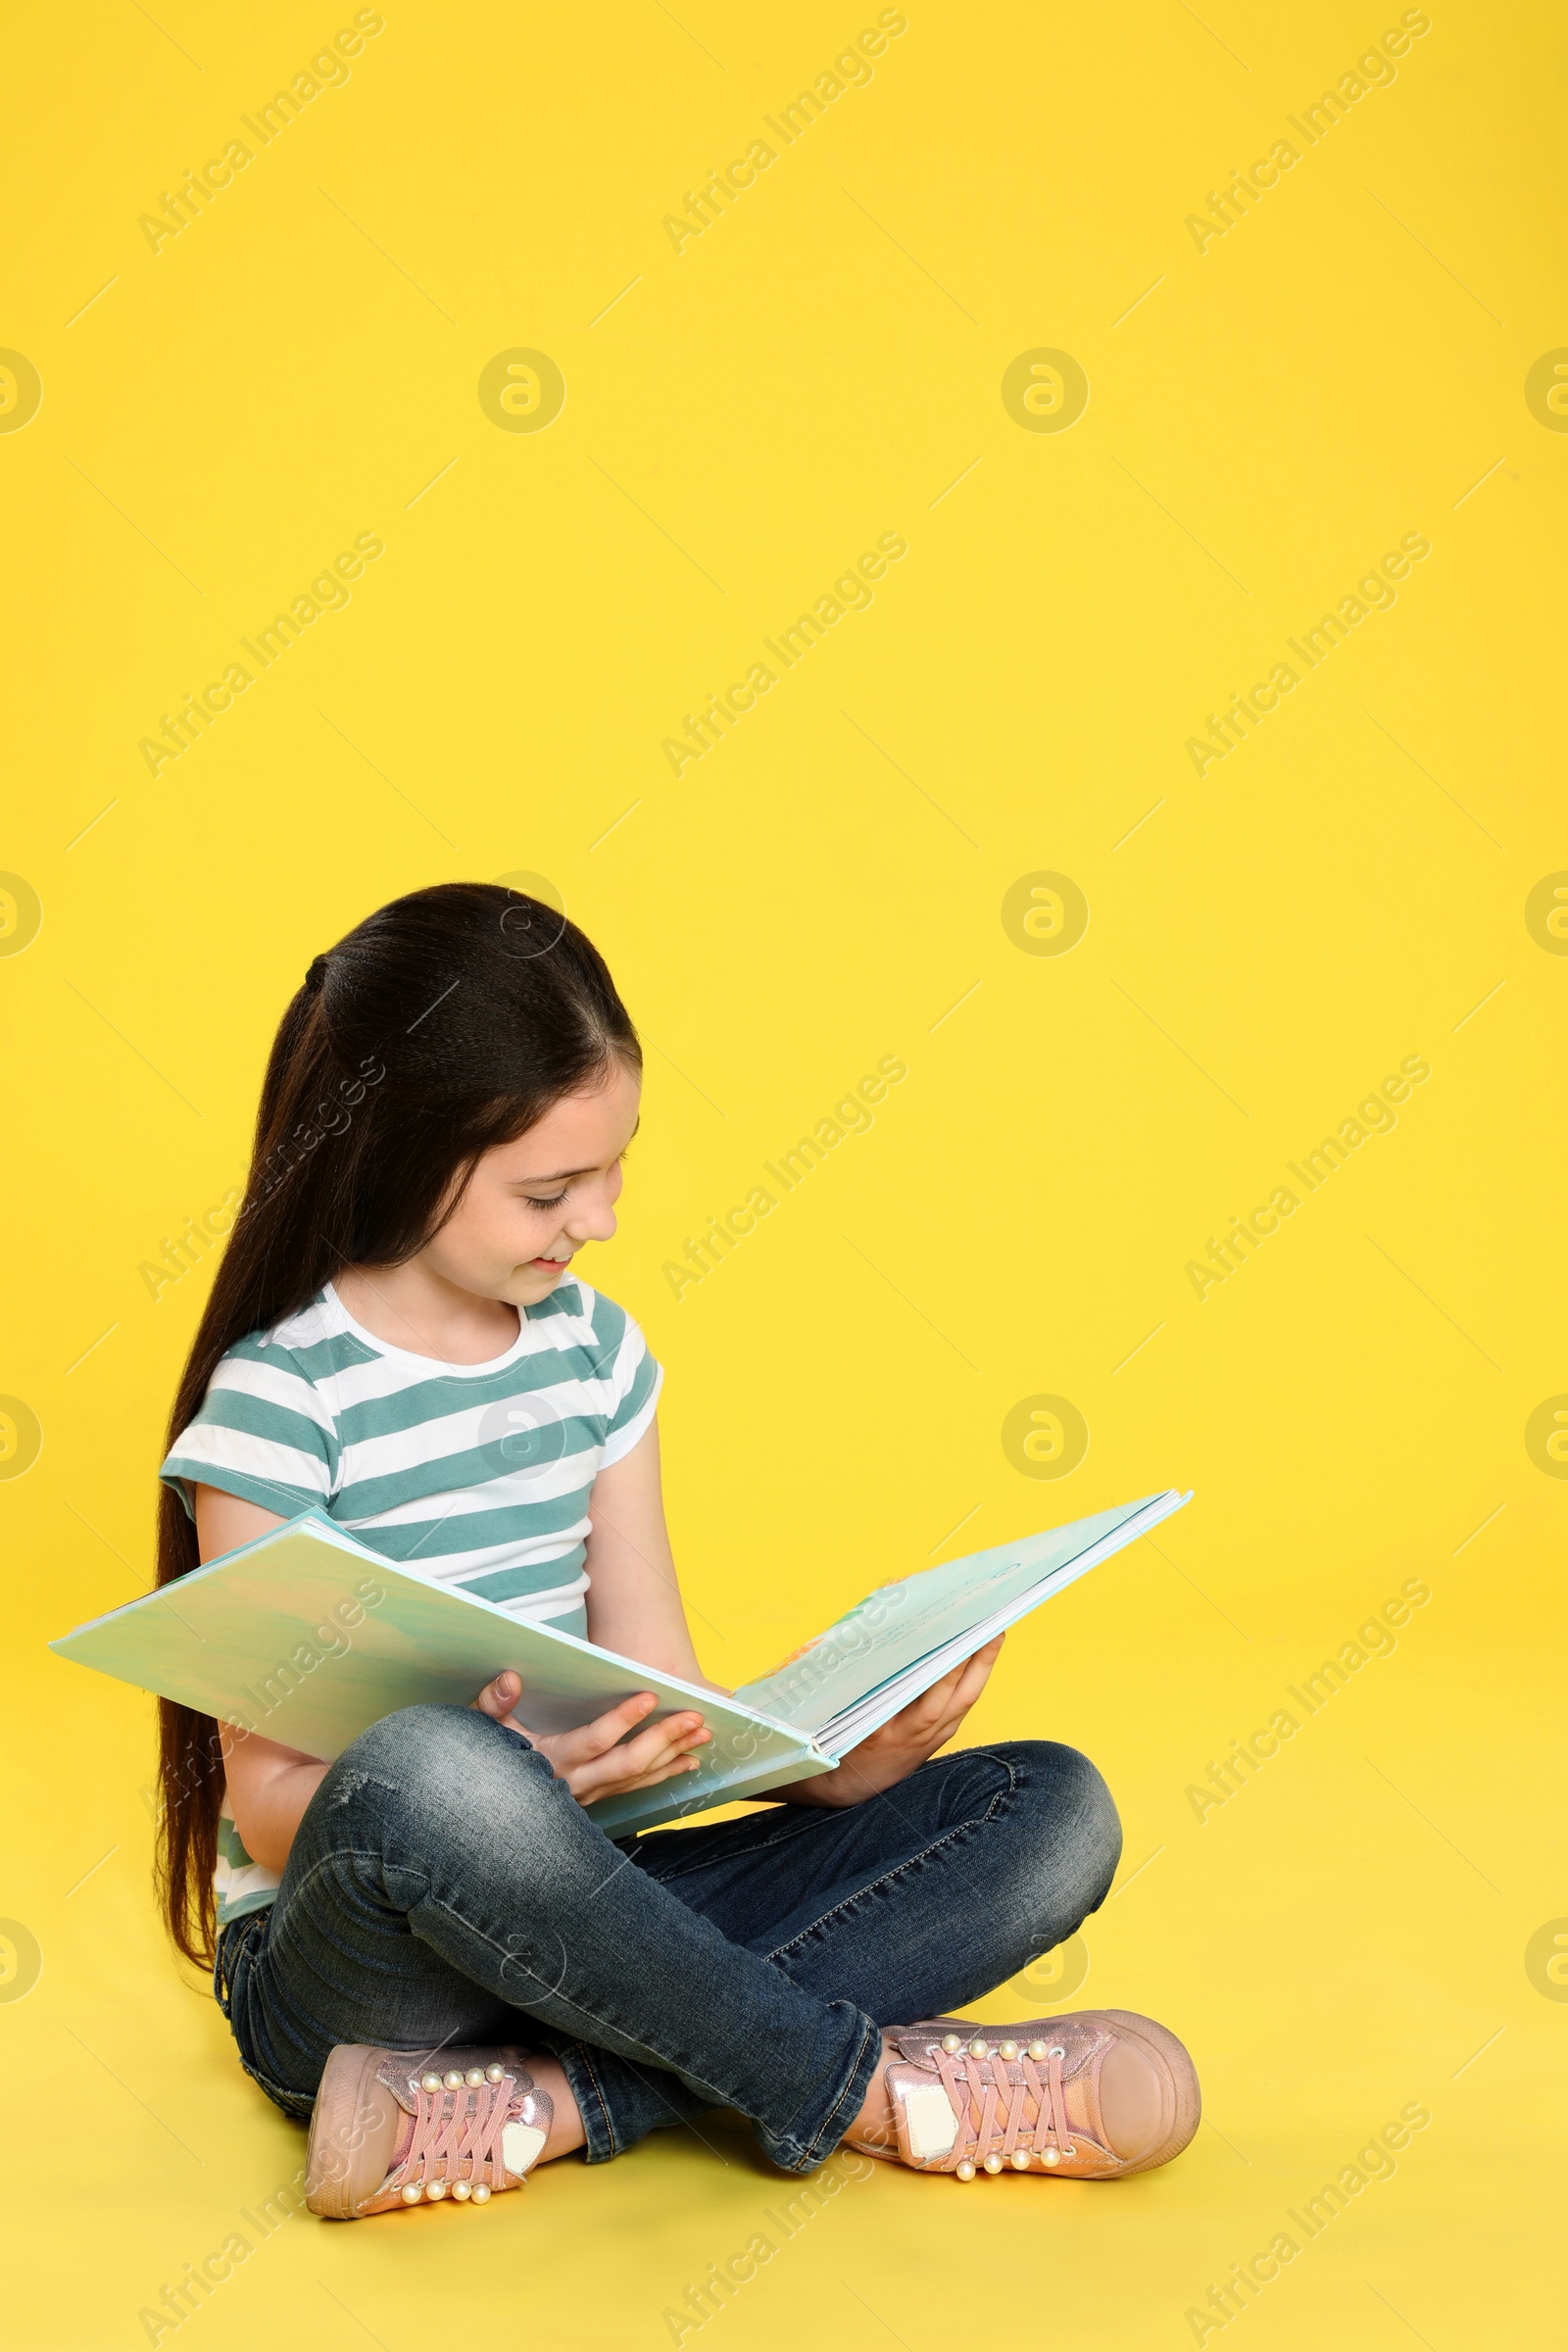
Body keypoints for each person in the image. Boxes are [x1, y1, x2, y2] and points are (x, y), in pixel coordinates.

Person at [153, 881, 1200, 2218]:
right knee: (431, 1767)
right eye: (554, 1187)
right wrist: (511, 1785)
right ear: (398, 1152)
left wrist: (831, 1765)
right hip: (358, 1968)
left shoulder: (597, 1360)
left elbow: (660, 1716)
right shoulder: (277, 1409)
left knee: (1048, 1812)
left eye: (617, 1163)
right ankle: (871, 2091)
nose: (603, 1218)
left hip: (590, 1917)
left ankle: (550, 2104)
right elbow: (274, 1808)